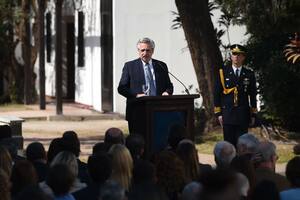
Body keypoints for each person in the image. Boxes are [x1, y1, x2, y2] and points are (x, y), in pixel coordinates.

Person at [118, 37, 173, 132]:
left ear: (152, 51)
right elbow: (122, 88)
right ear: (138, 51)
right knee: (138, 141)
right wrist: (136, 95)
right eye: (142, 50)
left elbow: (169, 85)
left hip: (158, 110)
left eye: (148, 50)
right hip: (137, 111)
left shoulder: (161, 65)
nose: (145, 53)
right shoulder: (130, 66)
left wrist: (167, 92)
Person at [214, 44, 257, 147]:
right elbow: (217, 93)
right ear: (231, 56)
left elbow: (253, 94)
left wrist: (253, 114)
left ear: (243, 57)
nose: (236, 57)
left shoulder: (249, 74)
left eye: (239, 54)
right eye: (234, 54)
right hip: (228, 114)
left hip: (243, 114)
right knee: (229, 145)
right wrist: (218, 113)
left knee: (242, 145)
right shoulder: (223, 72)